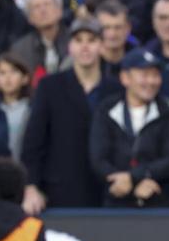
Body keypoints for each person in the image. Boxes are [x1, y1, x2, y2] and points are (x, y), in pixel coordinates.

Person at [21, 18, 123, 213]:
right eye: (78, 40)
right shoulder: (50, 87)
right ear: (70, 47)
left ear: (101, 45)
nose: (85, 47)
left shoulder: (116, 90)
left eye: (91, 40)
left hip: (107, 191)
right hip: (60, 190)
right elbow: (33, 141)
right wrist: (31, 186)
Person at [89, 48, 169, 208]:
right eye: (144, 75)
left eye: (155, 75)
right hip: (115, 203)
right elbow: (98, 159)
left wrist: (134, 177)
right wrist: (130, 183)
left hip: (158, 203)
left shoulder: (168, 112)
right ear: (125, 78)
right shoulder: (107, 110)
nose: (151, 81)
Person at [0, 53, 32, 160]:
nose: (7, 77)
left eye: (14, 71)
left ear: (25, 78)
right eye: (2, 73)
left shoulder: (31, 110)